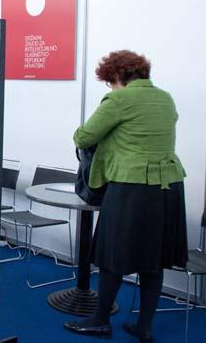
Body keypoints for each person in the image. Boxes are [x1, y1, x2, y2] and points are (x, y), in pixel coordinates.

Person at [64, 50, 187, 342]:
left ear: (118, 75)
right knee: (153, 260)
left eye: (110, 81)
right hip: (169, 188)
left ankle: (99, 321)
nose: (110, 86)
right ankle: (144, 327)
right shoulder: (166, 98)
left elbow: (83, 137)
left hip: (132, 187)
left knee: (113, 255)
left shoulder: (118, 100)